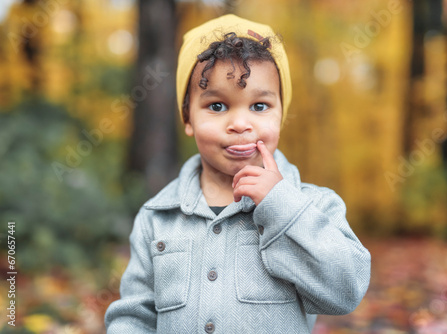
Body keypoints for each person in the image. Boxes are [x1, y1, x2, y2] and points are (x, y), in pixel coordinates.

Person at [105, 14, 371, 333]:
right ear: (187, 118)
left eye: (259, 106)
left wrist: (281, 207)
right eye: (217, 106)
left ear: (281, 116)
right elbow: (135, 317)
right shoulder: (156, 219)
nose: (240, 124)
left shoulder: (313, 206)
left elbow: (346, 291)